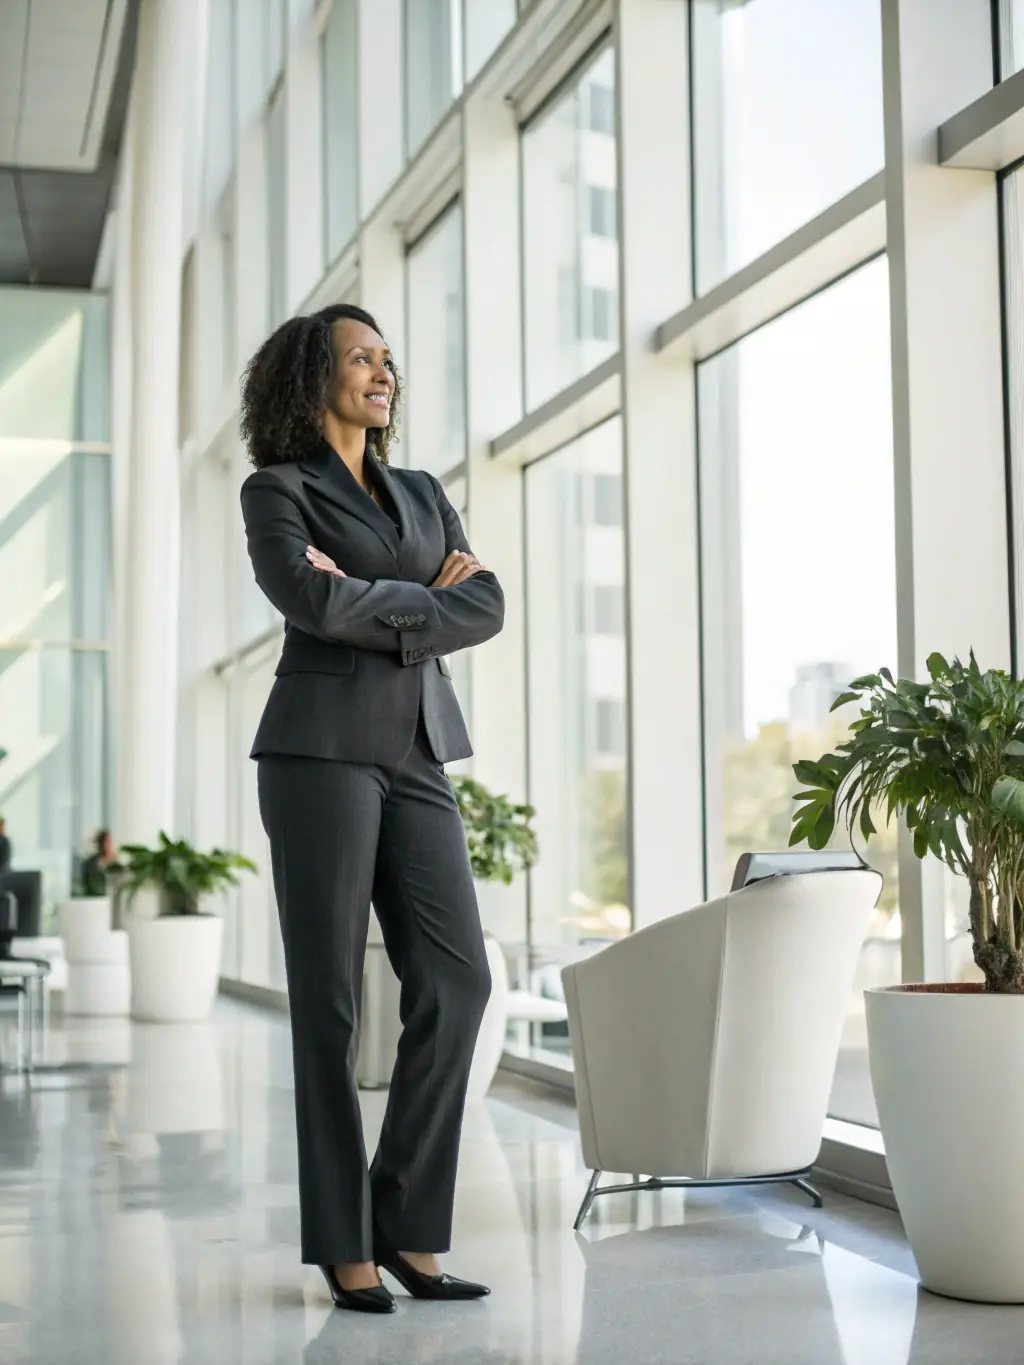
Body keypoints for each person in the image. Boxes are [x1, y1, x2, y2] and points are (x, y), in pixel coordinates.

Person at [239, 303, 504, 1316]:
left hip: (419, 753)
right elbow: (303, 602)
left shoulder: (426, 491)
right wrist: (420, 604)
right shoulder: (277, 490)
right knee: (332, 1005)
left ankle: (405, 1228)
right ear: (315, 380)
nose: (382, 372)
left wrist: (368, 595)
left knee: (458, 979)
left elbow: (485, 605)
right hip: (317, 754)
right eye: (360, 358)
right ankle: (343, 1245)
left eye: (387, 359)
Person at [79, 830, 121, 897]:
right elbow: (86, 885)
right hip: (94, 899)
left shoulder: (118, 862)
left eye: (110, 842)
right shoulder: (89, 863)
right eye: (106, 842)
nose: (109, 845)